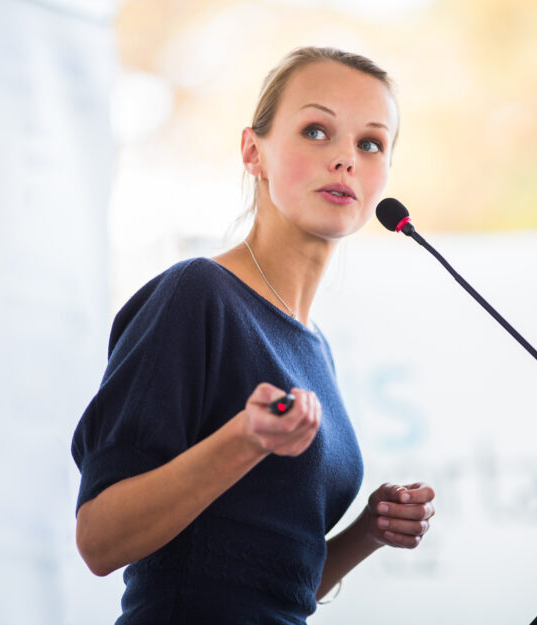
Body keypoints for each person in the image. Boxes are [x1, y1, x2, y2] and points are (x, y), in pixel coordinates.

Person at [71, 46, 436, 624]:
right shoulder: (197, 296)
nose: (345, 158)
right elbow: (99, 539)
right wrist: (244, 441)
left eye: (370, 143)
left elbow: (276, 588)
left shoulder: (316, 348)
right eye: (317, 130)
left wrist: (369, 532)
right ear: (253, 151)